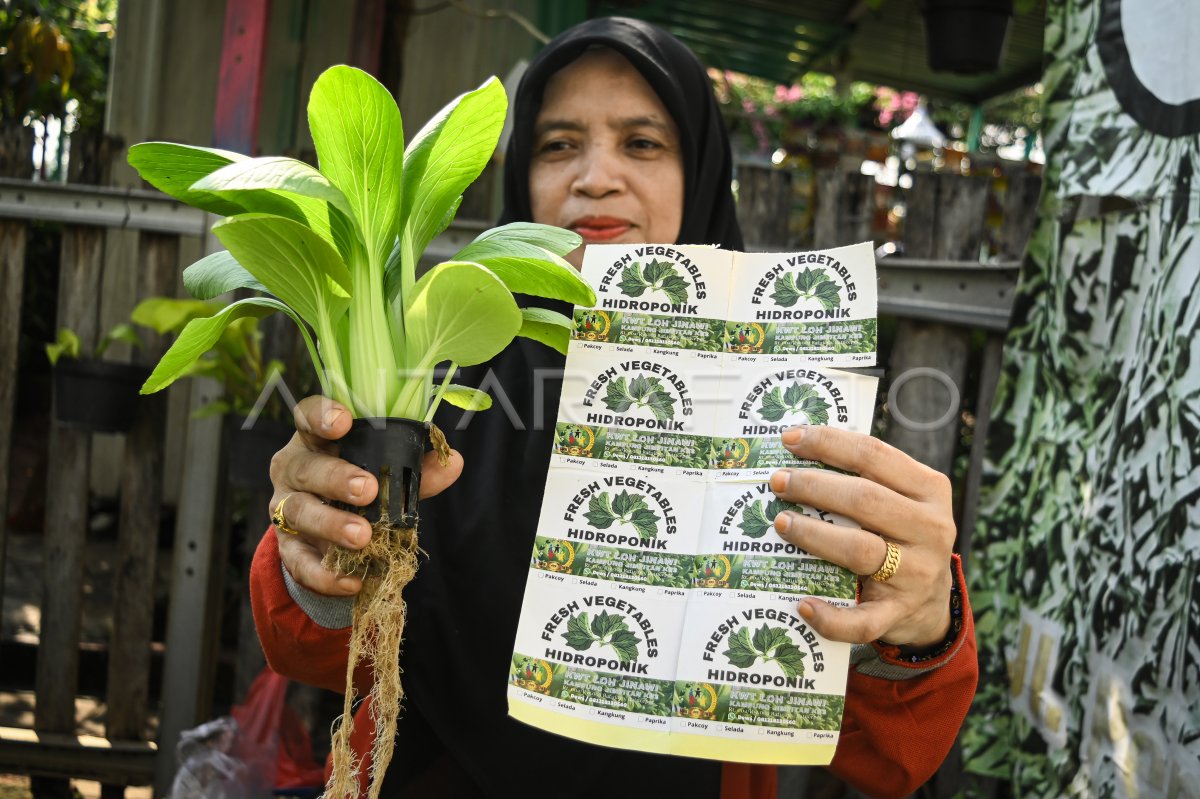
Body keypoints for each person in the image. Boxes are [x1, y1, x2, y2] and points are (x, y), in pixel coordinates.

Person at [249, 17, 977, 799]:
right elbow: (316, 646)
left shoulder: (788, 407)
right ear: (521, 176)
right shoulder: (431, 379)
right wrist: (320, 549)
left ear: (699, 173)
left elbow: (890, 754)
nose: (595, 177)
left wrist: (917, 616)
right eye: (559, 144)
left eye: (642, 143)